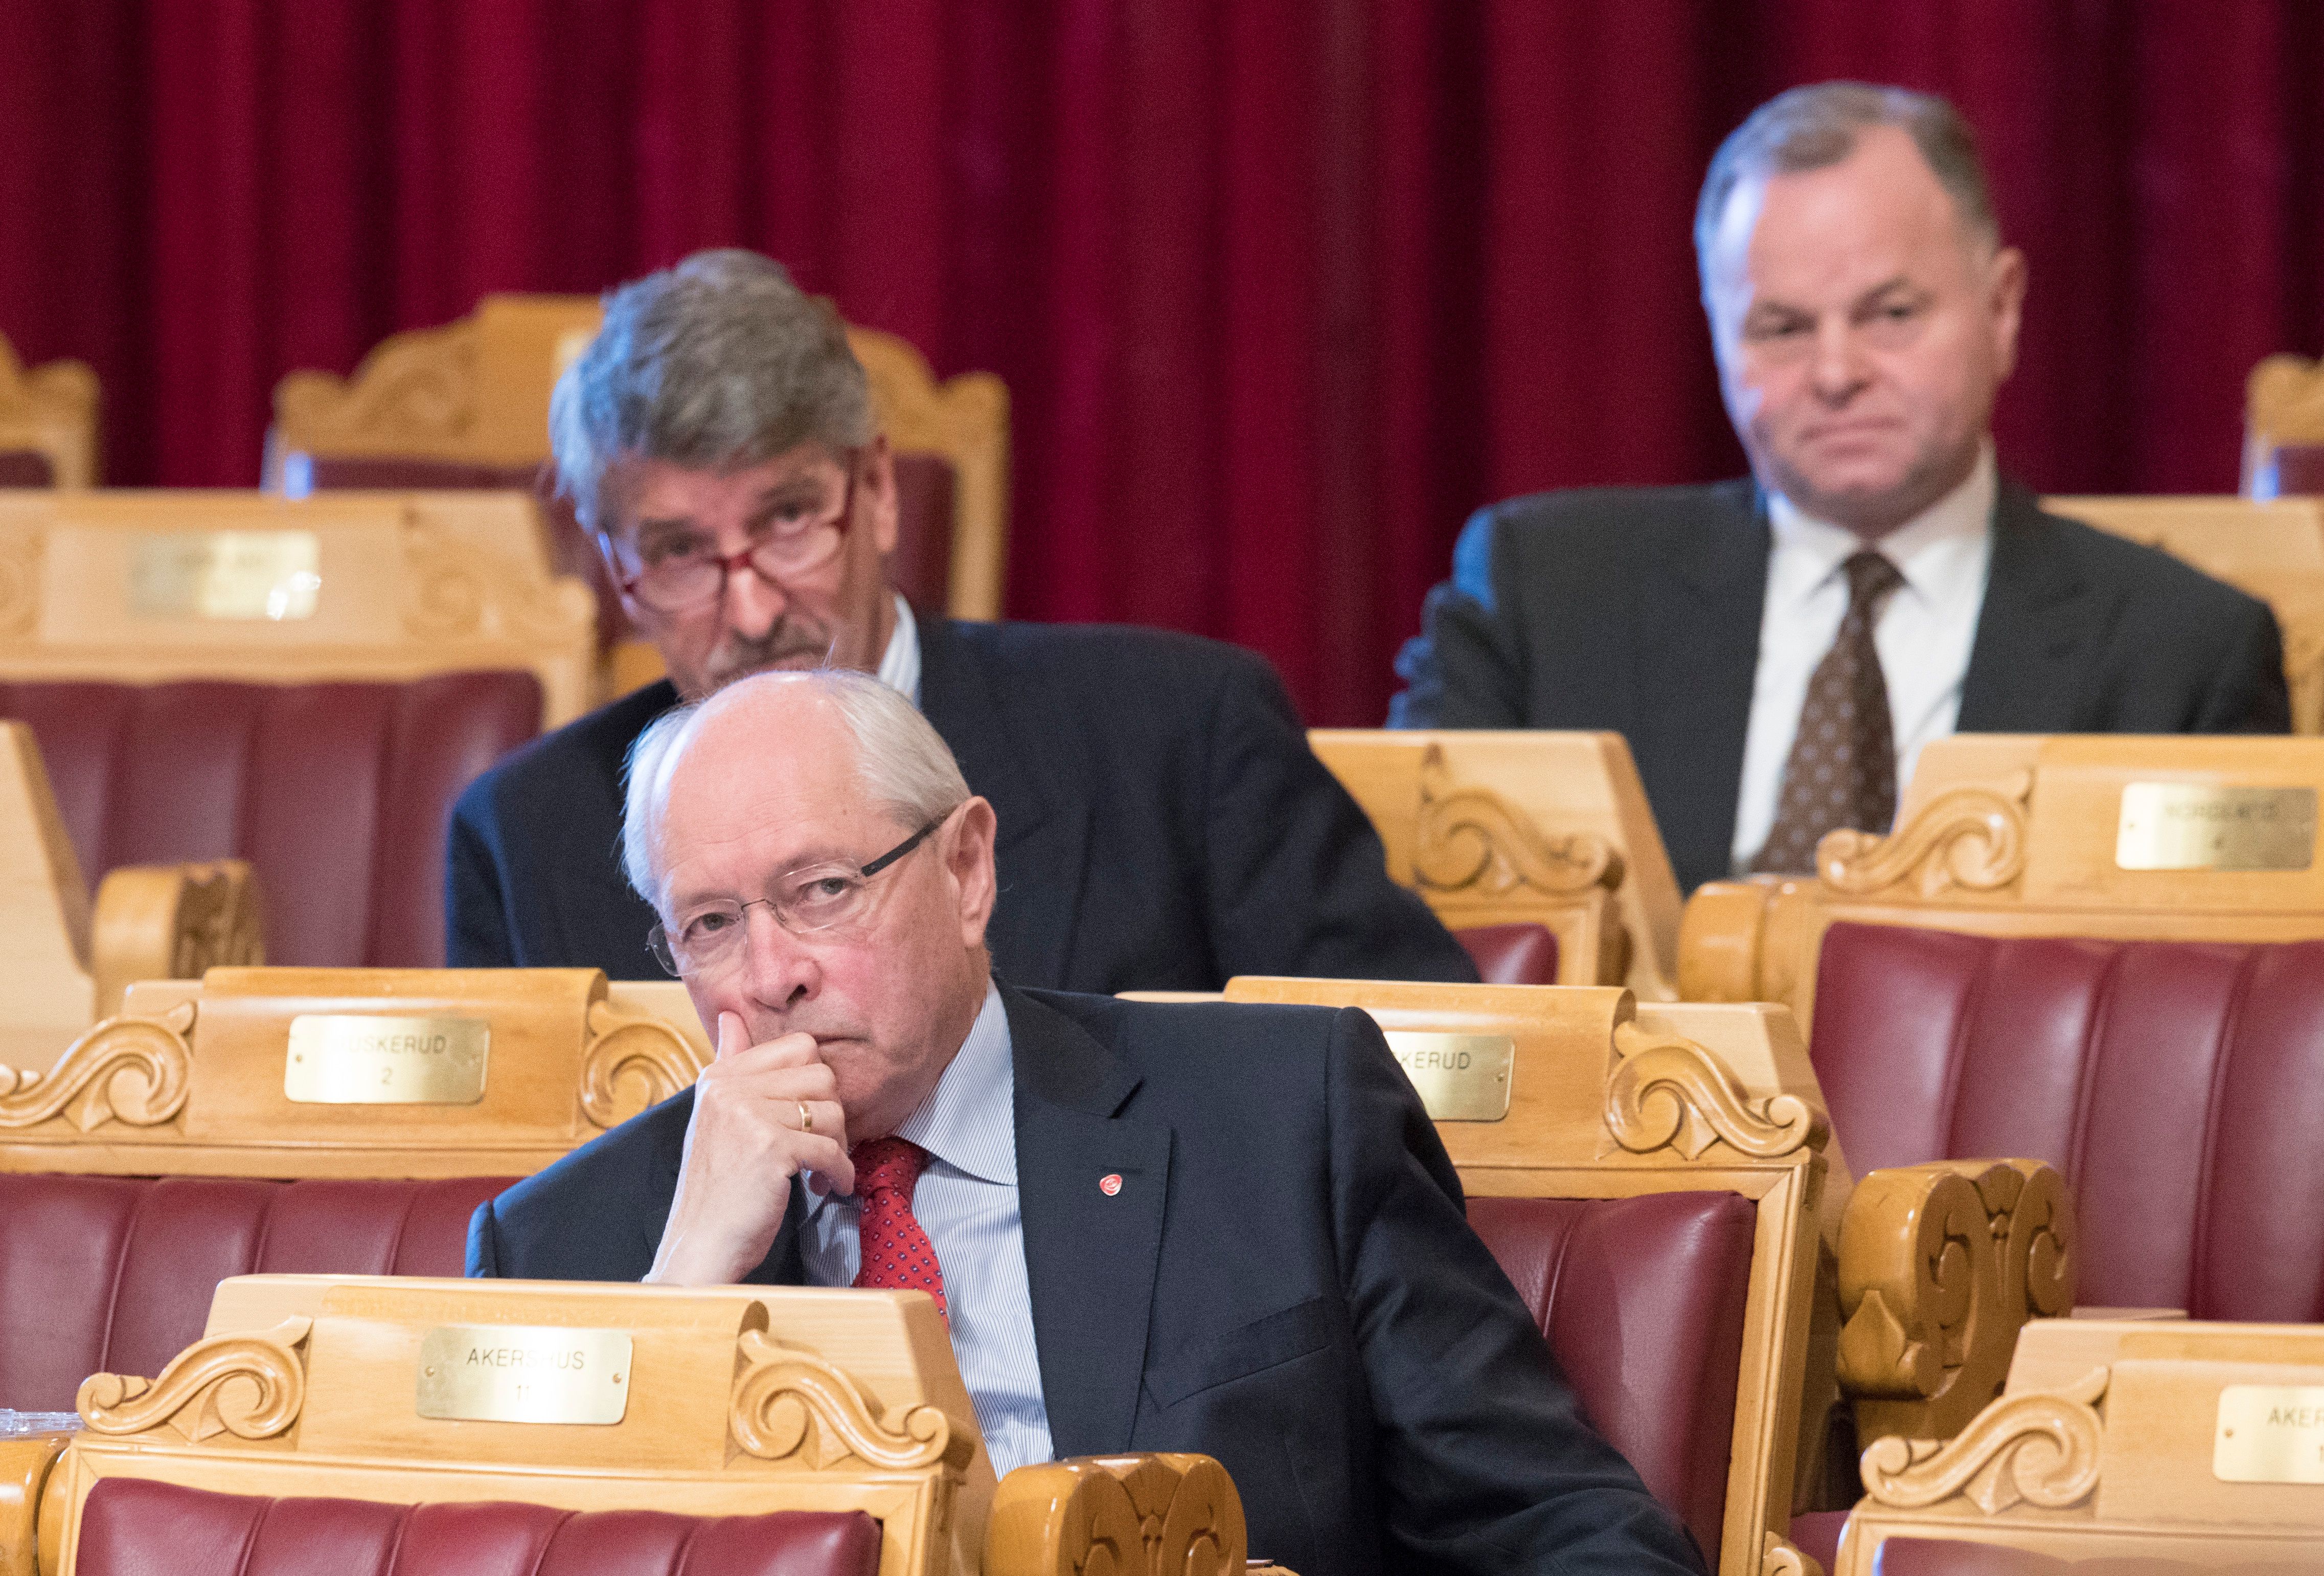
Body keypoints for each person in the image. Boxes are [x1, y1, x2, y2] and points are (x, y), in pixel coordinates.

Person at [469, 669, 1703, 1576]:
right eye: (710, 924)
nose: (771, 971)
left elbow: (1560, 1531)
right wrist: (686, 1300)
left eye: (823, 889)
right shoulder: (574, 1244)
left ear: (965, 870)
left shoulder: (1277, 1120)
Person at [448, 249, 1473, 990]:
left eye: (789, 520)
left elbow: (1402, 1077)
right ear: (616, 566)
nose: (750, 610)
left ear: (878, 489)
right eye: (680, 553)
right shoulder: (529, 836)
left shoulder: (1179, 738)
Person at [1393, 82, 2289, 894]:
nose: (1834, 374)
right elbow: (1402, 931)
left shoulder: (2179, 657)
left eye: (1890, 314)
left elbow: (2211, 990)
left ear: (2001, 308)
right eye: (1780, 327)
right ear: (1718, 335)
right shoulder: (1544, 597)